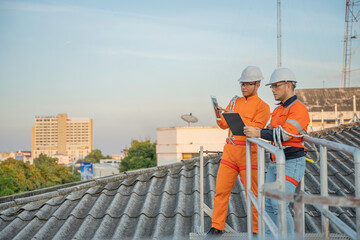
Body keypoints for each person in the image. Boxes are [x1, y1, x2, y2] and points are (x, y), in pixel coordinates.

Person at [243, 67, 310, 238]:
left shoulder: (299, 108)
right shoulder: (278, 110)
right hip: (276, 163)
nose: (272, 90)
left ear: (288, 86)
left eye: (276, 86)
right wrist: (258, 129)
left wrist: (258, 133)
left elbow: (285, 134)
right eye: (271, 87)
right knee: (269, 203)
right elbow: (272, 130)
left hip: (291, 163)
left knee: (278, 202)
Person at [206, 66, 270, 239]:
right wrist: (219, 114)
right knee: (221, 191)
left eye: (248, 84)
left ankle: (257, 230)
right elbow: (223, 125)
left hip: (250, 155)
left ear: (257, 85)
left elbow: (256, 128)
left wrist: (236, 115)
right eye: (242, 84)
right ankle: (216, 226)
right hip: (230, 153)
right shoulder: (235, 102)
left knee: (254, 194)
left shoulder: (264, 107)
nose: (244, 87)